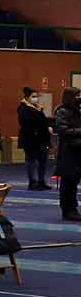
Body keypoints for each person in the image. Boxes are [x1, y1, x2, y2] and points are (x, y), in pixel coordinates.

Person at [17, 87, 53, 192]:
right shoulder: (23, 108)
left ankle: (41, 181)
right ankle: (32, 182)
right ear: (27, 97)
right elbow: (26, 122)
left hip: (41, 139)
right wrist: (42, 127)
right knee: (31, 160)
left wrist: (48, 127)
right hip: (30, 139)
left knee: (43, 160)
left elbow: (43, 121)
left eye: (37, 96)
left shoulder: (38, 107)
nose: (36, 98)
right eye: (33, 96)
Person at [56, 87, 81, 222]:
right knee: (68, 184)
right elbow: (63, 130)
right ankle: (68, 210)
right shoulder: (63, 111)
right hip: (67, 153)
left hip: (76, 152)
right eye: (77, 95)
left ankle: (73, 208)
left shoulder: (76, 111)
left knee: (73, 183)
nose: (79, 98)